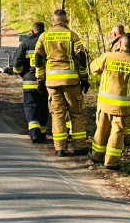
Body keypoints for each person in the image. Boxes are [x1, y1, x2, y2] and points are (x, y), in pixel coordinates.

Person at [34, 9, 90, 156]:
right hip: (71, 81)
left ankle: (60, 148)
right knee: (76, 113)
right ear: (66, 20)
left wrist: (40, 79)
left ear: (53, 20)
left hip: (52, 82)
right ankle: (79, 147)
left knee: (57, 114)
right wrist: (84, 78)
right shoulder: (72, 35)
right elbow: (81, 59)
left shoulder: (43, 36)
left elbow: (38, 60)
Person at [89, 33, 130, 168]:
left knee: (101, 129)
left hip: (105, 103)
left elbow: (93, 68)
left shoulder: (107, 56)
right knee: (117, 132)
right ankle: (111, 162)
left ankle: (97, 156)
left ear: (119, 44)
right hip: (122, 105)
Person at [13, 21, 49, 143]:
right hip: (45, 81)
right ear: (44, 31)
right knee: (44, 106)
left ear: (32, 31)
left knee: (31, 106)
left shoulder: (25, 44)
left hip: (29, 81)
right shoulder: (48, 43)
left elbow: (16, 65)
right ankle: (43, 133)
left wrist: (23, 74)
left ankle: (34, 133)